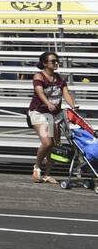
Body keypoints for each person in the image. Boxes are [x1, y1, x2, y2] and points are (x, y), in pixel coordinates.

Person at [29, 50, 79, 184]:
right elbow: (39, 92)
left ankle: (47, 174)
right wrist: (47, 103)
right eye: (53, 61)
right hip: (39, 112)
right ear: (45, 63)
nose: (56, 63)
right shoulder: (39, 76)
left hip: (55, 115)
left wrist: (73, 105)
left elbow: (66, 93)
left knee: (55, 146)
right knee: (47, 142)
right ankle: (37, 167)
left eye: (57, 61)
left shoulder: (60, 78)